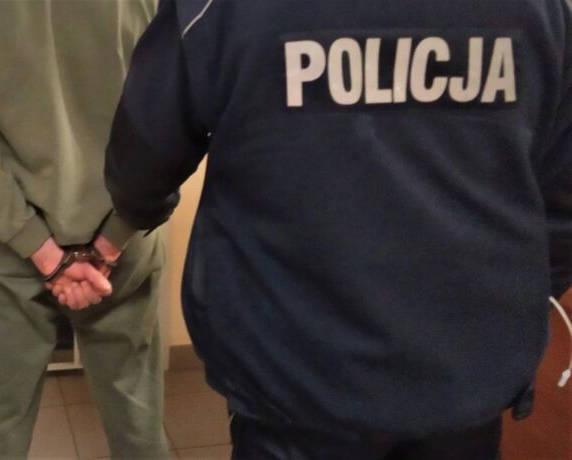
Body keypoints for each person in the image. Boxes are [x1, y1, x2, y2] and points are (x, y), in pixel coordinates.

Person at [103, 0, 572, 458]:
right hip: (464, 371)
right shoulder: (542, 9)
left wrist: (129, 221)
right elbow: (562, 197)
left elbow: (143, 162)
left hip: (294, 365)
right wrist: (509, 298)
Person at [0, 1, 169, 458]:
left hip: (6, 252)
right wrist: (110, 241)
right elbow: (172, 133)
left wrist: (44, 253)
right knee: (139, 429)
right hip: (125, 243)